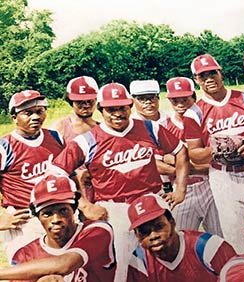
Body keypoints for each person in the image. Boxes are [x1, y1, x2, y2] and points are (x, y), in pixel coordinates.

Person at [50, 82, 189, 282]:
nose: (117, 113)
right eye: (110, 109)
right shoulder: (88, 140)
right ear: (101, 110)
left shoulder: (149, 128)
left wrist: (180, 189)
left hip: (152, 201)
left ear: (130, 106)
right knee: (124, 268)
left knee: (167, 261)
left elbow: (180, 151)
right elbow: (56, 172)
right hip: (115, 209)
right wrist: (83, 204)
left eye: (122, 108)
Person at [183, 54, 244, 260]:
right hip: (224, 177)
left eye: (212, 73)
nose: (209, 78)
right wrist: (216, 149)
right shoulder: (194, 112)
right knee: (238, 240)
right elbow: (194, 155)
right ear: (196, 80)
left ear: (221, 73)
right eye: (203, 76)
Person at [0, 174, 116, 282]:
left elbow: (64, 264)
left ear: (74, 209)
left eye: (63, 210)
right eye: (47, 214)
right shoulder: (25, 255)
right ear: (37, 217)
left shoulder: (98, 230)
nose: (56, 219)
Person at [0, 90, 64, 261]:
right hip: (24, 218)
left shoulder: (56, 138)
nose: (35, 117)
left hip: (57, 213)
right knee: (28, 273)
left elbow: (69, 176)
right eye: (27, 113)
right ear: (14, 117)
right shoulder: (5, 147)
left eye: (39, 111)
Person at [127, 193, 236, 282]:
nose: (154, 236)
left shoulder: (209, 247)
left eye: (159, 227)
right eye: (144, 232)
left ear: (172, 222)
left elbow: (241, 276)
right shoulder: (139, 262)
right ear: (137, 236)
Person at [165, 76, 222, 236]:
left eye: (185, 99)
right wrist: (190, 166)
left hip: (210, 186)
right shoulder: (163, 125)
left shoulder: (206, 120)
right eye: (175, 100)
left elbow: (214, 161)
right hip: (180, 189)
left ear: (194, 97)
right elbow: (160, 164)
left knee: (221, 238)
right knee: (179, 239)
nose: (180, 104)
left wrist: (181, 164)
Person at [49, 76, 100, 204]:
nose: (86, 106)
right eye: (80, 102)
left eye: (90, 101)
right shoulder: (61, 127)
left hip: (98, 188)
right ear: (71, 101)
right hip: (72, 190)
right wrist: (77, 174)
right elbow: (51, 164)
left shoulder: (101, 128)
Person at [129, 79, 175, 193]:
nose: (148, 102)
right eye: (141, 99)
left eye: (151, 97)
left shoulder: (171, 118)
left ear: (158, 98)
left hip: (179, 184)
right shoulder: (129, 127)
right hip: (149, 188)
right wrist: (164, 159)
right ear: (133, 101)